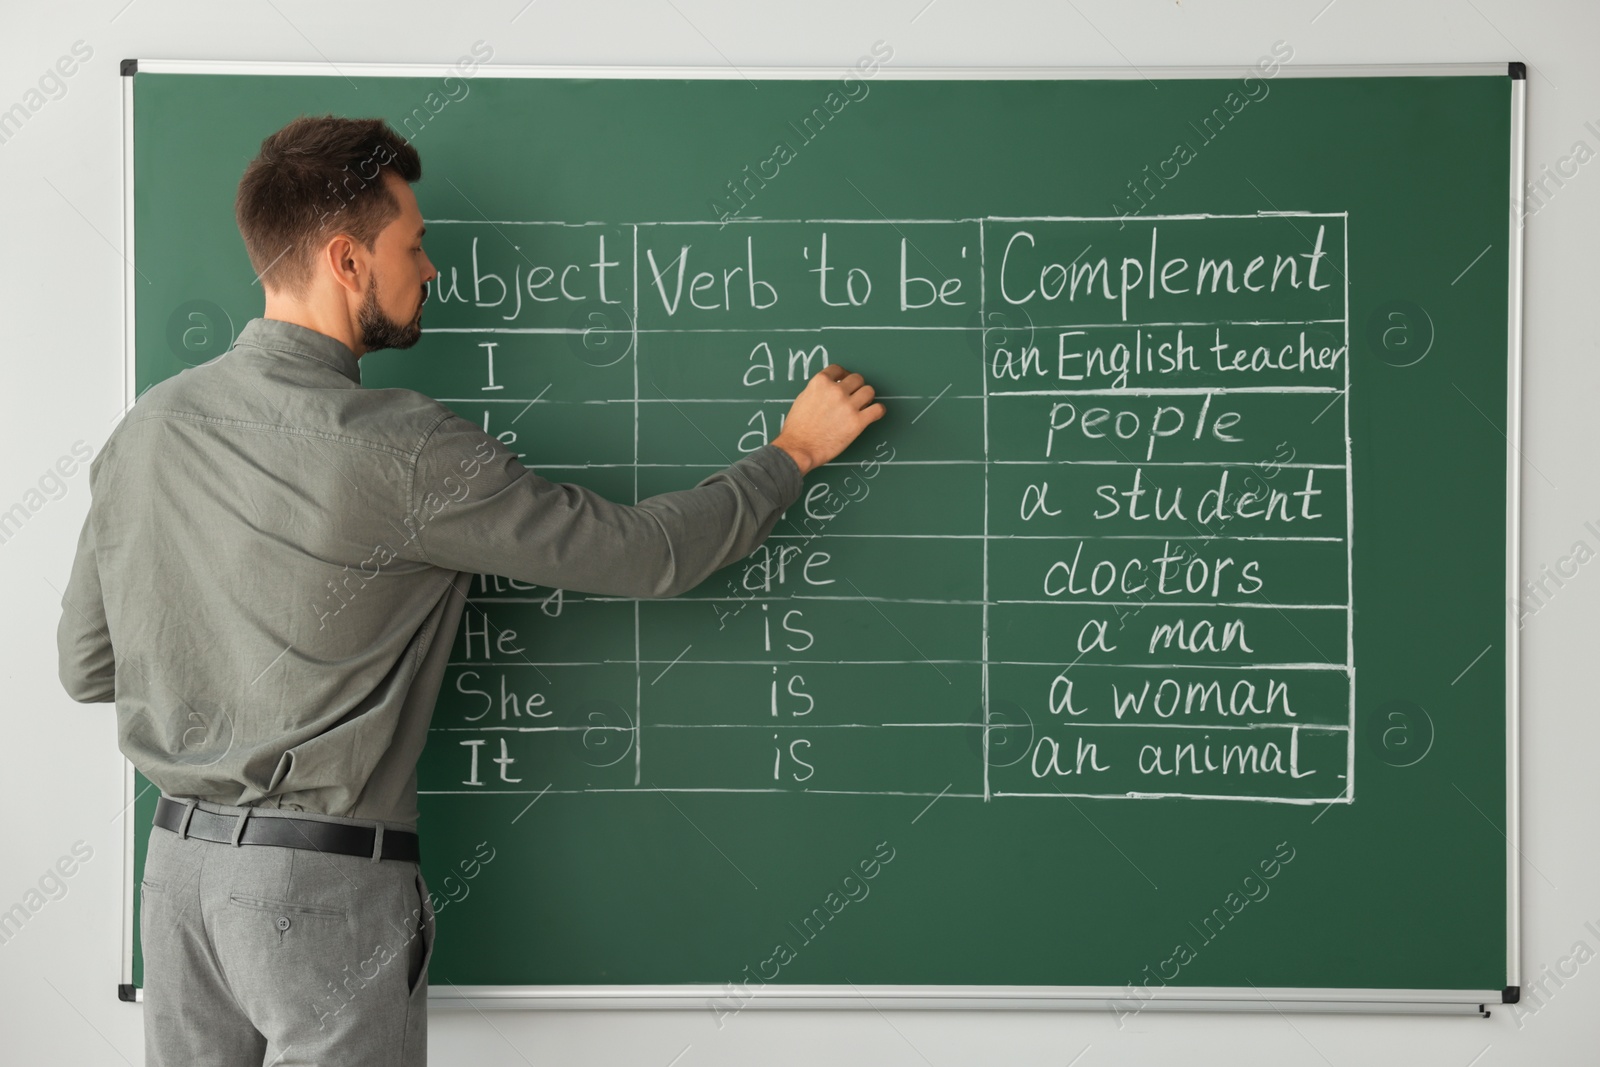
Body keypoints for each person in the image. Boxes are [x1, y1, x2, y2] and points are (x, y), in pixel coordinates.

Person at [56, 114, 884, 1067]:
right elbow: (646, 554)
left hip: (175, 878)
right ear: (346, 259)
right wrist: (793, 455)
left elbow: (86, 667)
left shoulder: (148, 428)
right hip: (317, 887)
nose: (433, 270)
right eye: (413, 244)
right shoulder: (404, 449)